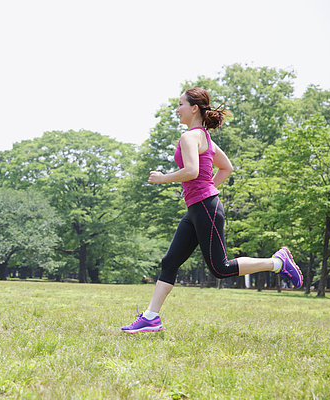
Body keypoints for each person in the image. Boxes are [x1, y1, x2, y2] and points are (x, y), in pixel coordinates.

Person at [121, 88, 303, 334]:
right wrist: (204, 192)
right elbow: (226, 168)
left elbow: (192, 172)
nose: (177, 109)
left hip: (205, 207)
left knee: (221, 268)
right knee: (170, 261)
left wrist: (164, 178)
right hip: (199, 207)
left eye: (180, 104)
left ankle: (277, 262)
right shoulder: (205, 138)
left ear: (194, 108)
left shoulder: (190, 138)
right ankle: (151, 317)